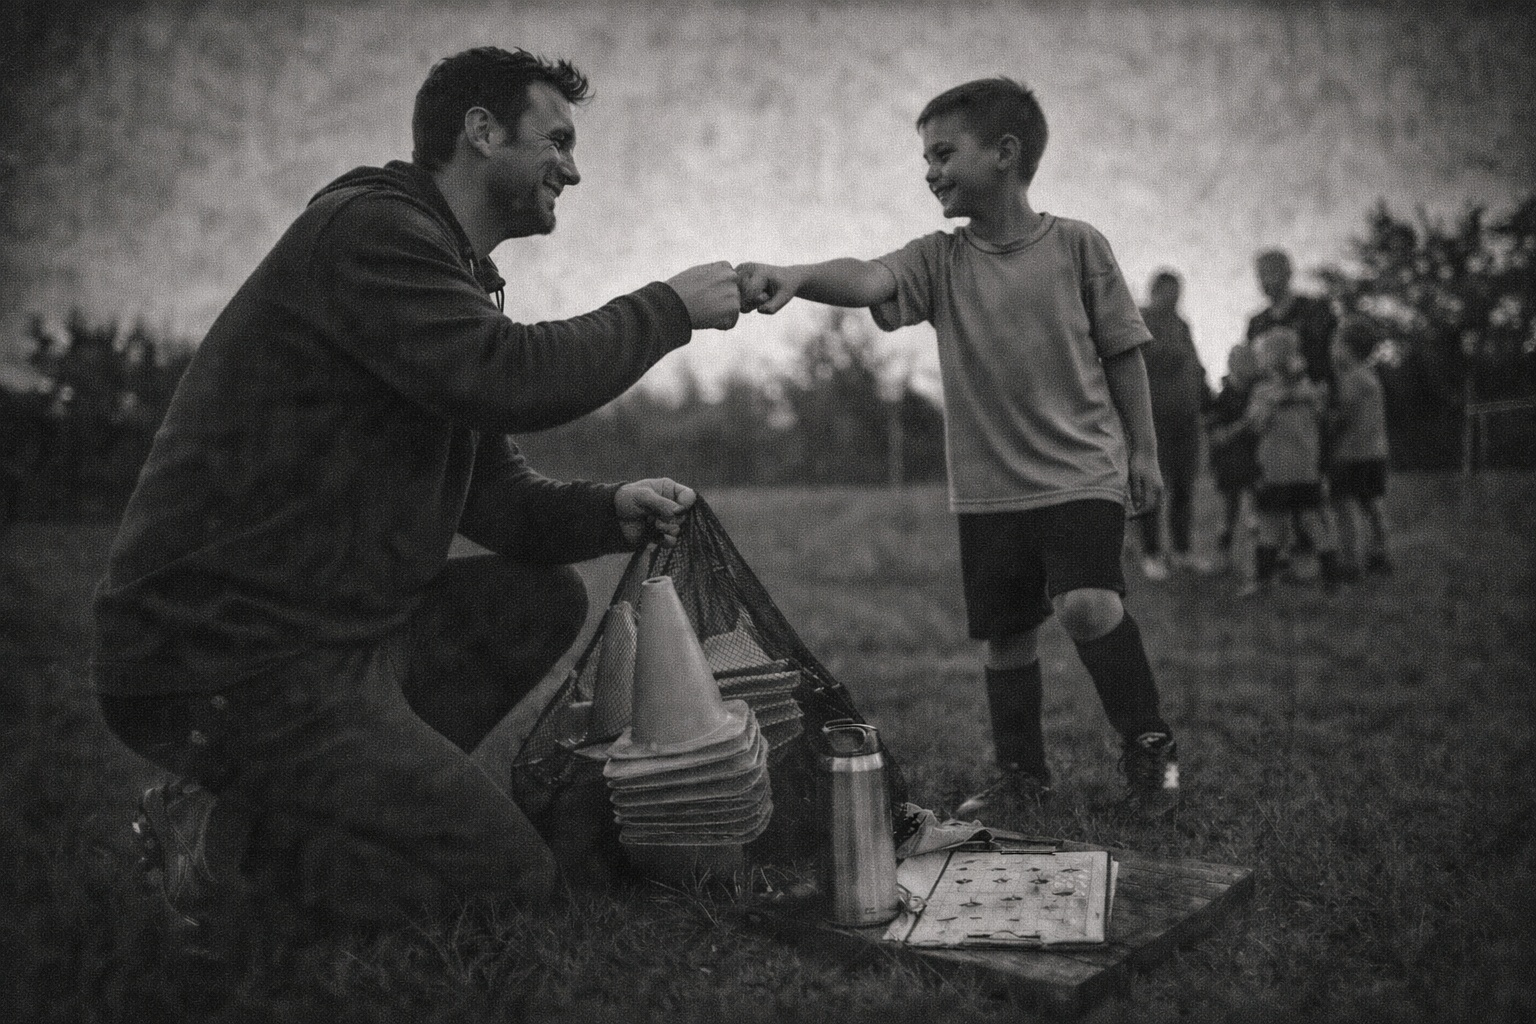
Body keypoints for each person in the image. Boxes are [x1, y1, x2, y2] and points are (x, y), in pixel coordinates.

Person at [91, 46, 744, 931]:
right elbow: (503, 376)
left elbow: (503, 503)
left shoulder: (447, 278)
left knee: (535, 599)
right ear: (480, 131)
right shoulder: (369, 232)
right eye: (556, 139)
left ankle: (266, 816)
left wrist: (607, 508)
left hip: (330, 645)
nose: (573, 170)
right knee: (511, 896)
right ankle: (229, 850)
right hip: (221, 661)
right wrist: (666, 310)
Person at [738, 77, 1180, 817]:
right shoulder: (939, 261)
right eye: (925, 157)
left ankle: (1152, 754)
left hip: (1081, 472)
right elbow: (868, 275)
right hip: (988, 489)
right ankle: (1021, 775)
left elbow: (1124, 352)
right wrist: (798, 275)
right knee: (1006, 638)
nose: (930, 171)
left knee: (1085, 604)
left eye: (944, 153)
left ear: (1004, 153)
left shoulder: (1077, 245)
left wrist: (1145, 453)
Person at [1243, 327, 1343, 596]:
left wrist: (1285, 395)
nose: (1262, 358)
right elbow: (1255, 424)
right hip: (1276, 469)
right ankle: (1263, 582)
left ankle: (1331, 579)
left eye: (1266, 353)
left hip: (1297, 469)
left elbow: (1321, 419)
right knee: (1271, 526)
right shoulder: (1266, 391)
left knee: (1309, 522)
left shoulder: (1307, 389)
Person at [1136, 269, 1211, 580]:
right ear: (1155, 290)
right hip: (1153, 417)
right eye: (1170, 291)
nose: (1176, 297)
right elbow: (1142, 358)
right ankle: (1151, 554)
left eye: (1179, 291)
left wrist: (1203, 389)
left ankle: (1181, 551)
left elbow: (1193, 362)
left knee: (1182, 487)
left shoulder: (1181, 324)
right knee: (1151, 487)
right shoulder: (1138, 319)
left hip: (1185, 417)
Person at [1327, 314, 1393, 577]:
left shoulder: (1352, 379)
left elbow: (1343, 415)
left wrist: (1325, 425)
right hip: (1375, 452)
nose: (1332, 350)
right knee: (1371, 504)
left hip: (1351, 454)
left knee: (1343, 505)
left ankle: (1350, 560)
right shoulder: (1370, 377)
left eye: (1335, 343)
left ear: (1346, 347)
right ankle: (1379, 553)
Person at [1204, 341, 1263, 583]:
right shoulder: (1222, 396)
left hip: (1254, 461)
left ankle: (1258, 561)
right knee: (1228, 512)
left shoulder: (1258, 392)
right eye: (1234, 359)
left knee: (1256, 514)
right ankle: (1223, 558)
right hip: (1229, 463)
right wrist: (1242, 425)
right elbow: (1217, 435)